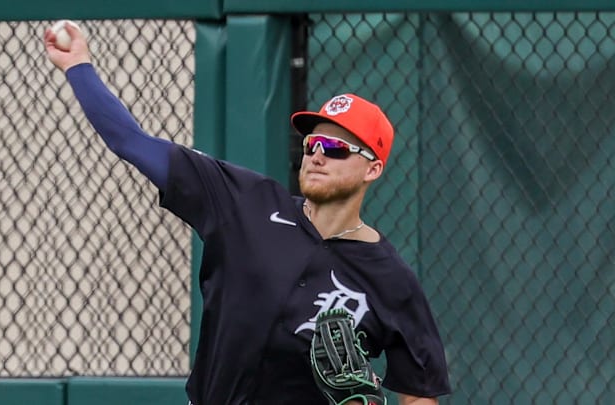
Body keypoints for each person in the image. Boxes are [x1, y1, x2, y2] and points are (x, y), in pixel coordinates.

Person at [44, 23, 451, 405]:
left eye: (335, 149)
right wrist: (79, 65)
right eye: (312, 144)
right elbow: (131, 142)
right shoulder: (244, 202)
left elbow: (419, 391)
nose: (316, 156)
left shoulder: (391, 280)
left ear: (373, 168)